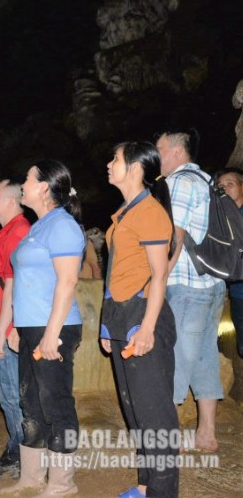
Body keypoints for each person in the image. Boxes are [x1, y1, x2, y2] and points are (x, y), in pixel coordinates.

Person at [101, 141, 180, 498]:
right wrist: (108, 325)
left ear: (135, 167)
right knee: (135, 411)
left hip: (145, 316)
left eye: (115, 159)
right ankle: (147, 486)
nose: (108, 164)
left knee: (156, 415)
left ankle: (163, 492)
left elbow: (159, 276)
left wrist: (147, 328)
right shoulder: (124, 214)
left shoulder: (149, 212)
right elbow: (115, 273)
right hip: (123, 317)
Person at [3, 160, 84, 496]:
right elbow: (28, 282)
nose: (23, 183)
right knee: (30, 402)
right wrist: (16, 326)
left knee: (56, 402)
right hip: (32, 326)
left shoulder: (62, 225)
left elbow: (67, 281)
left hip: (56, 326)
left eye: (27, 178)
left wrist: (52, 333)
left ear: (45, 187)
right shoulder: (39, 226)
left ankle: (63, 482)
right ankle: (32, 477)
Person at [156, 128, 224, 452]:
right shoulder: (209, 180)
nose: (157, 156)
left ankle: (170, 437)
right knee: (205, 356)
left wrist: (159, 278)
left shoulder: (179, 182)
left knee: (176, 358)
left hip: (186, 285)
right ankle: (206, 434)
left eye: (160, 149)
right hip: (212, 284)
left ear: (176, 152)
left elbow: (176, 235)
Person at [0, 179, 31, 480]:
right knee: (4, 392)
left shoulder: (18, 232)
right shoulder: (5, 233)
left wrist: (6, 329)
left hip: (7, 328)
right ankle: (16, 447)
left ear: (11, 201)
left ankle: (23, 455)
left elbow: (18, 285)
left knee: (13, 394)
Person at [215, 167, 243, 357]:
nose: (224, 189)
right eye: (220, 186)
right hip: (237, 293)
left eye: (230, 184)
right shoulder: (219, 220)